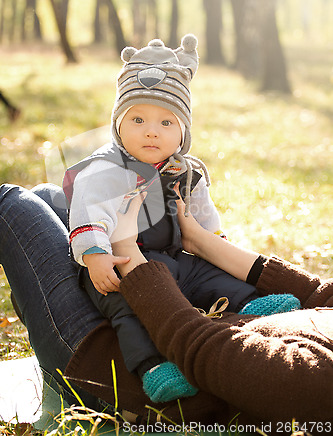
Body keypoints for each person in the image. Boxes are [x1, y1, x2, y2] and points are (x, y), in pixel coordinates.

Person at [62, 34, 300, 404]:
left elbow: (203, 215)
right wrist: (95, 255)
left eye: (166, 122)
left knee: (207, 274)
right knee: (130, 307)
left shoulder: (185, 171)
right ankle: (153, 366)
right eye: (137, 119)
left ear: (183, 132)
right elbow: (87, 211)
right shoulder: (105, 169)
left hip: (174, 257)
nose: (151, 130)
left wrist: (212, 239)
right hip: (119, 261)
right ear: (118, 125)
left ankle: (248, 304)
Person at [1, 184, 333, 433]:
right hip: (158, 313)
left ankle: (60, 371)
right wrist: (200, 240)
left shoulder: (317, 383)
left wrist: (127, 247)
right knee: (50, 196)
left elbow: (197, 346)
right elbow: (317, 292)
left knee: (11, 203)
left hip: (113, 369)